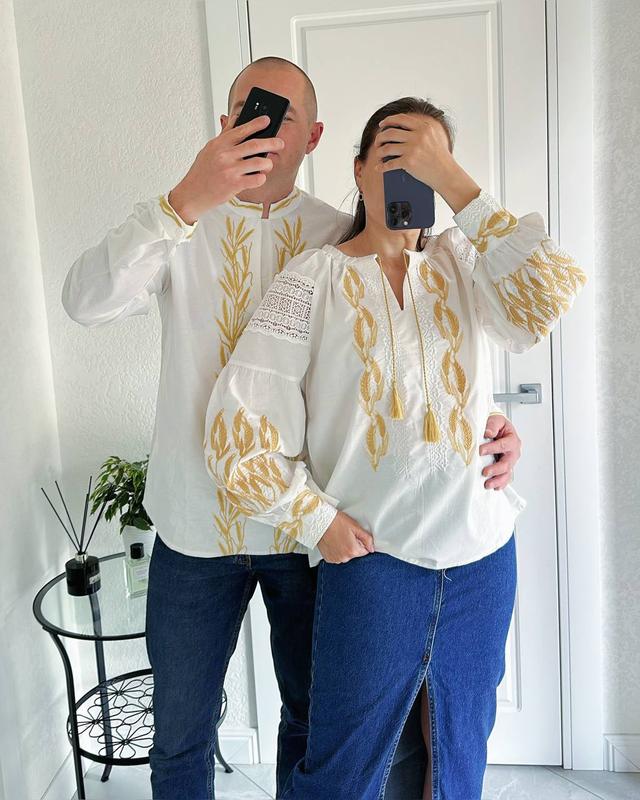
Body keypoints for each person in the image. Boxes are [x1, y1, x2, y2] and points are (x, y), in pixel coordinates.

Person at [62, 57, 523, 799]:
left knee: (313, 728)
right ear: (225, 123)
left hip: (310, 532)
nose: (263, 129)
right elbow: (85, 303)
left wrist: (488, 424)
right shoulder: (177, 223)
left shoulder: (338, 236)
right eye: (250, 111)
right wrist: (181, 202)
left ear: (312, 137)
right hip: (195, 524)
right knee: (180, 732)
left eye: (282, 117)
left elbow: (404, 360)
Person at [203, 95, 588, 799]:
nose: (410, 171)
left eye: (427, 160)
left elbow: (552, 292)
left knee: (459, 753)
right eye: (393, 155)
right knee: (343, 769)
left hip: (481, 558)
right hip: (374, 563)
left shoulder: (464, 264)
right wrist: (315, 520)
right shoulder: (314, 280)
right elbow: (236, 434)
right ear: (357, 169)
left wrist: (458, 186)